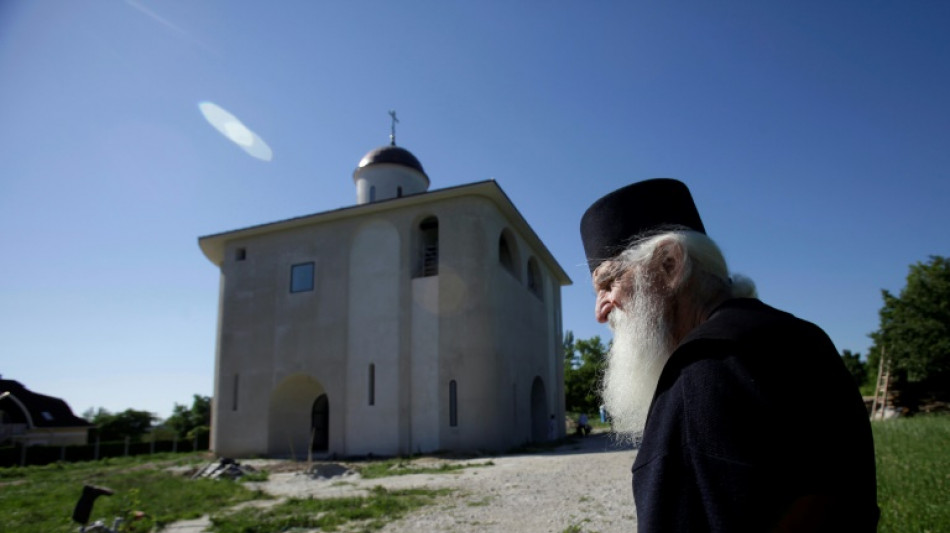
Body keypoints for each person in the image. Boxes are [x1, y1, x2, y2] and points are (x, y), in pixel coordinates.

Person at [579, 179, 879, 532]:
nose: (600, 311)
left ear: (670, 265)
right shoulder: (804, 336)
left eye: (608, 283)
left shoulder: (702, 372)